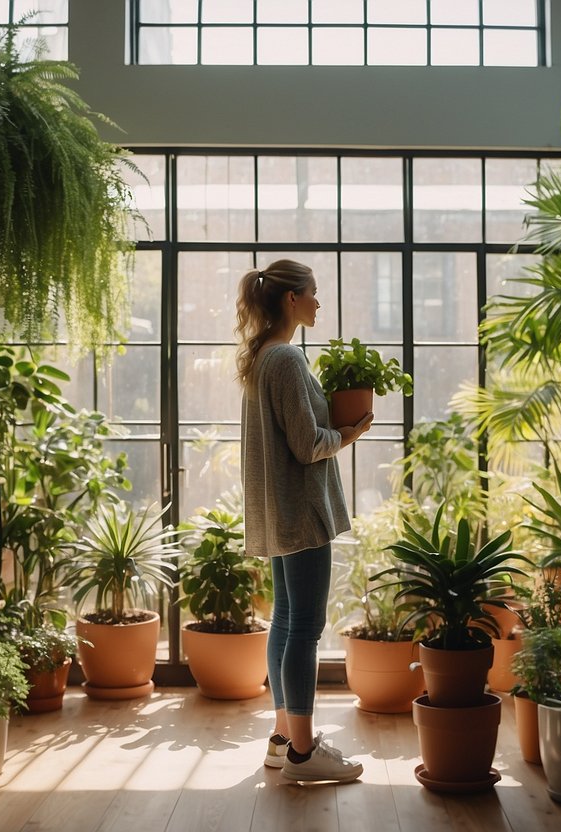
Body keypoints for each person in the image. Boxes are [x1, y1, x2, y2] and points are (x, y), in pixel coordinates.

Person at [235, 259, 373, 784]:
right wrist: (352, 432)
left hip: (280, 512)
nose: (319, 302)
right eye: (313, 293)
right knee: (306, 629)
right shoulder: (287, 359)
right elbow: (309, 444)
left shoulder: (261, 356)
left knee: (286, 622)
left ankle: (282, 739)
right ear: (291, 299)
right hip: (302, 514)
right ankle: (302, 753)